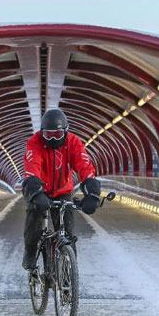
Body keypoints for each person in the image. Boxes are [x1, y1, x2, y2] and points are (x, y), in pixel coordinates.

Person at [21, 109, 101, 270]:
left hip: (63, 191)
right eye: (48, 135)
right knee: (34, 221)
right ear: (41, 132)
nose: (52, 139)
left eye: (57, 135)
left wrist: (92, 193)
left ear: (65, 131)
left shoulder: (73, 143)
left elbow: (85, 167)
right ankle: (30, 251)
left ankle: (69, 271)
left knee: (68, 233)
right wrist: (35, 193)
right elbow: (32, 168)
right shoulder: (34, 143)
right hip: (40, 190)